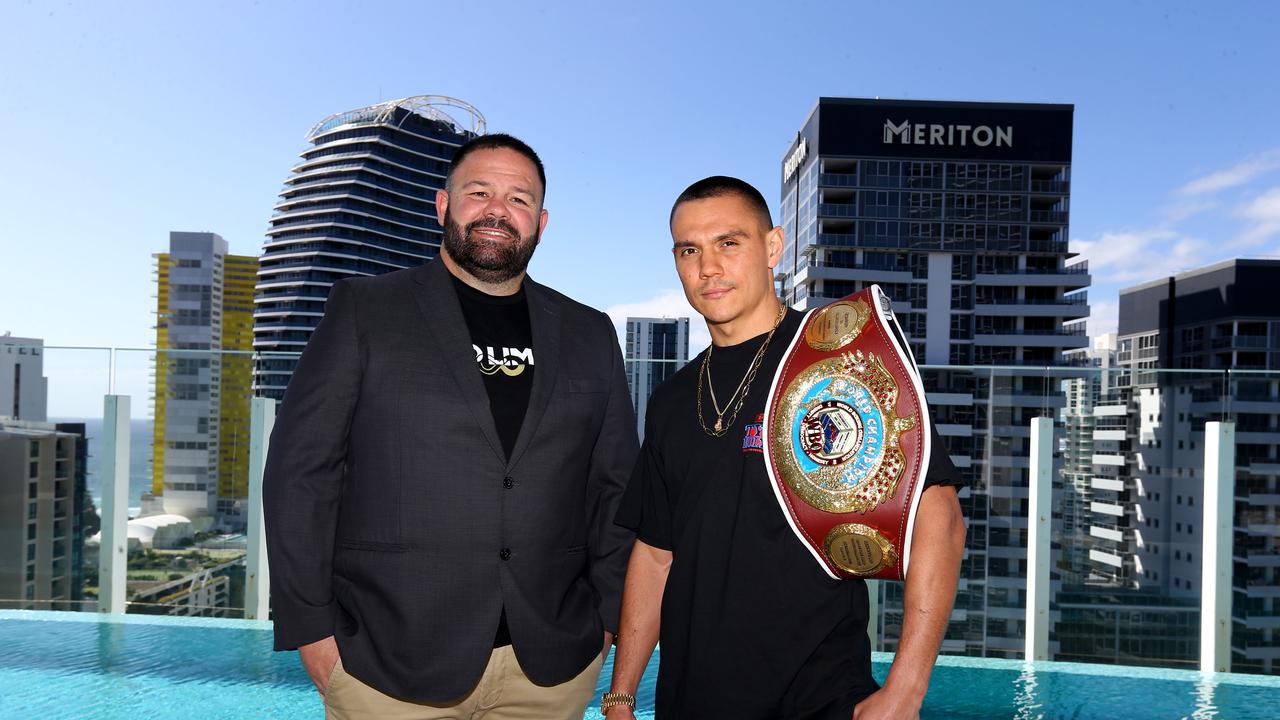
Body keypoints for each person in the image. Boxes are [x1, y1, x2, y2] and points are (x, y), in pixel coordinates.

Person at [263, 133, 638, 719]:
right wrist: (313, 635)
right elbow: (299, 476)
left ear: (540, 222)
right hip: (388, 667)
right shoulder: (365, 310)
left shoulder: (590, 333)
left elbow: (615, 487)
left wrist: (609, 619)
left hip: (551, 668)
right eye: (479, 191)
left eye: (518, 199)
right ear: (443, 206)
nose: (497, 210)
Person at [605, 176, 966, 719]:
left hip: (818, 697)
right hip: (692, 701)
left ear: (772, 246)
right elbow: (656, 554)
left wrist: (906, 689)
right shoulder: (671, 399)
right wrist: (622, 695)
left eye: (729, 243)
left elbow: (940, 518)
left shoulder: (838, 360)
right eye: (689, 250)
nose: (708, 267)